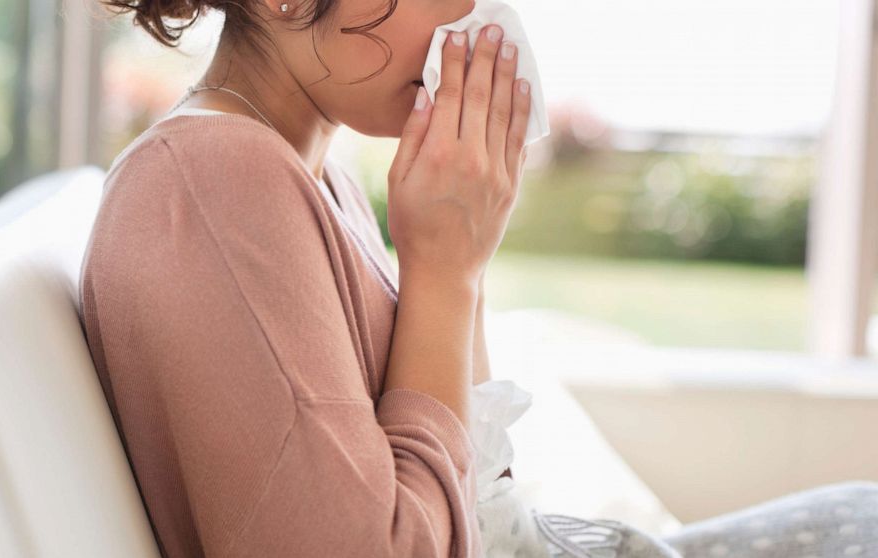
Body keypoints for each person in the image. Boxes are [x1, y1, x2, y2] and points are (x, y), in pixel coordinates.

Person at [78, 0, 878, 556]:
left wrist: (463, 258)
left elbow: (479, 498)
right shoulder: (215, 176)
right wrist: (443, 276)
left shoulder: (318, 177)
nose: (481, 24)